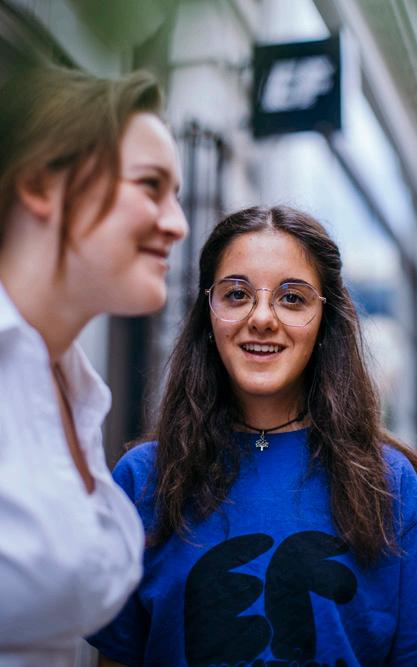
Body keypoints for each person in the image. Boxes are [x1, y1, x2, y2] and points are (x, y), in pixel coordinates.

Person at [89, 206, 417, 667]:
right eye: (236, 294)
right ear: (209, 314)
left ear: (324, 319)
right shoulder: (144, 480)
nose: (262, 318)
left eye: (292, 298)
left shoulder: (387, 483)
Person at [0, 63, 188, 666]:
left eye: (177, 195)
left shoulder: (75, 385)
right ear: (40, 183)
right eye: (150, 185)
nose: (178, 224)